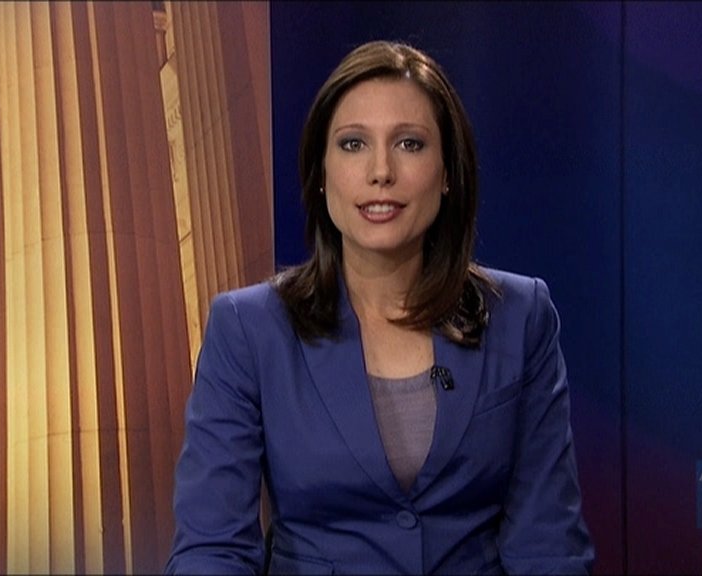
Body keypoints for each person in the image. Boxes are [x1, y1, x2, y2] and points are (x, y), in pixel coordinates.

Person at [166, 40, 594, 575]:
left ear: (447, 172)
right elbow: (212, 549)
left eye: (410, 143)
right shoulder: (250, 329)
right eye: (353, 144)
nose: (381, 171)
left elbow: (548, 546)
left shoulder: (521, 316)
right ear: (322, 173)